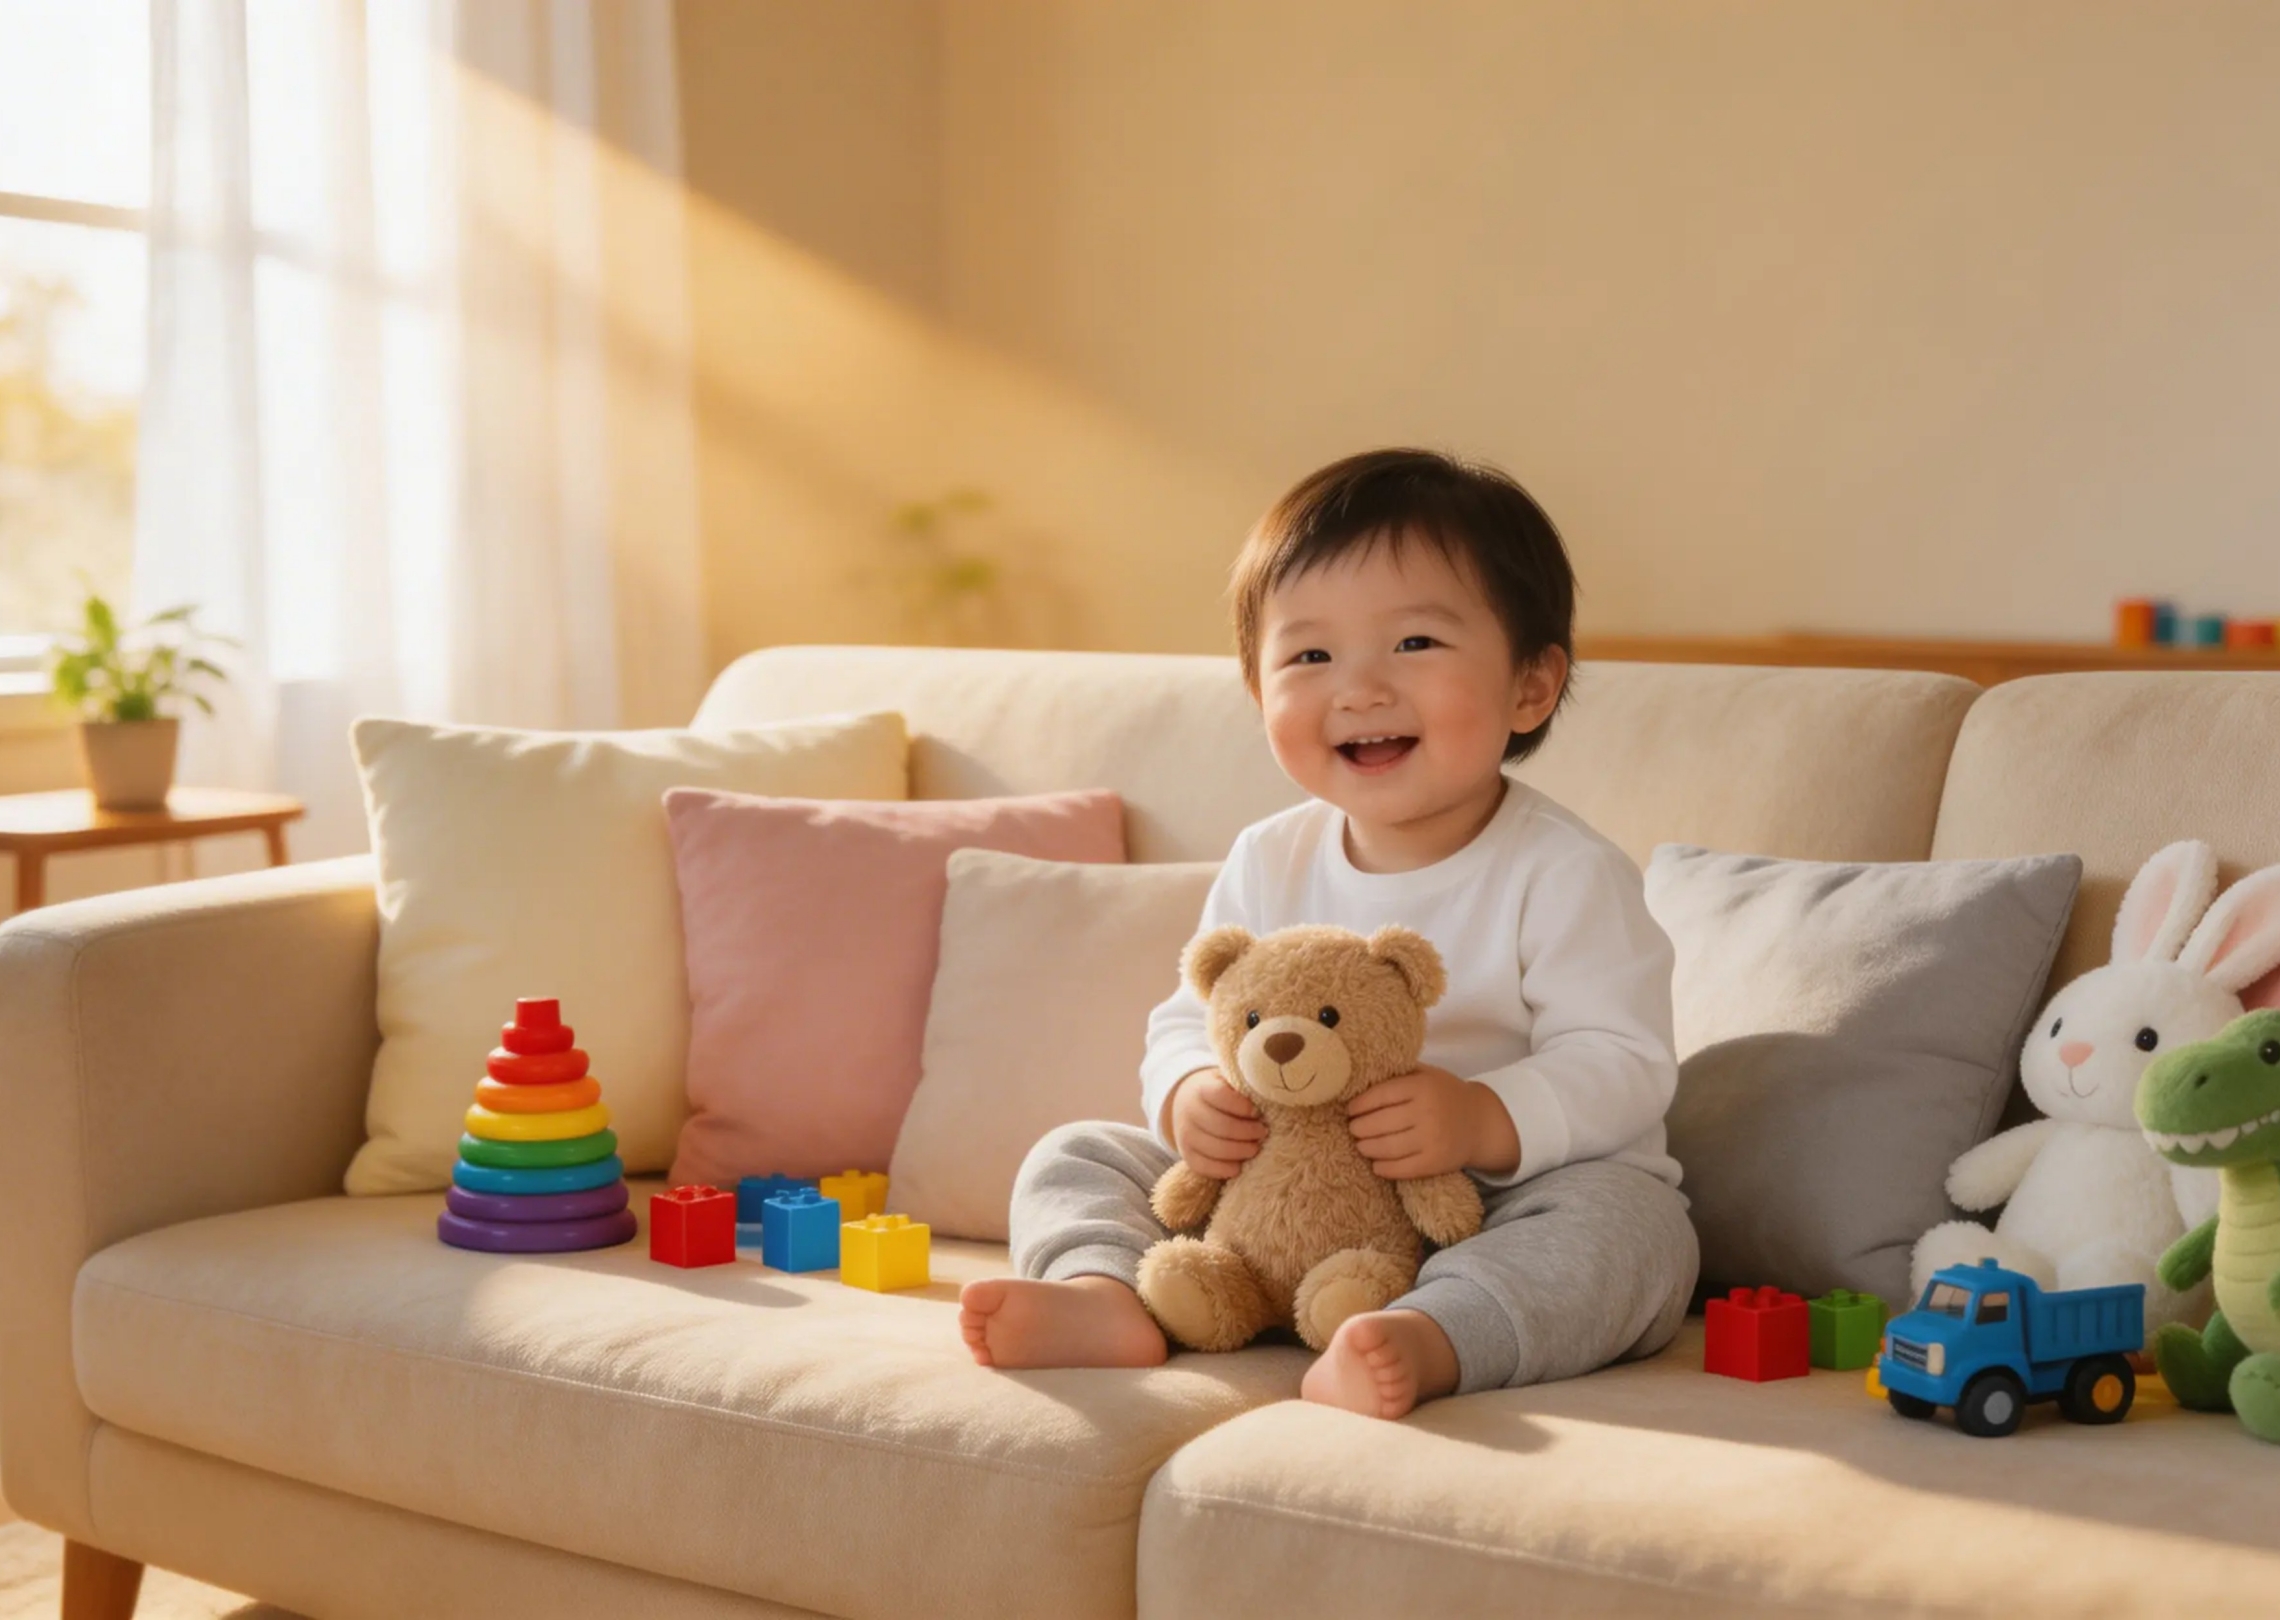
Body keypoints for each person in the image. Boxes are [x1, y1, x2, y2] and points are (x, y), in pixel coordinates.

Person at [957, 447, 1698, 1418]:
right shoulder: (1271, 857)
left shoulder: (1564, 871)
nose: (1358, 688)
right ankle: (1109, 1296)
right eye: (1310, 655)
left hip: (1493, 1208)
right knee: (1078, 1151)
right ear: (1260, 691)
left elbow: (1625, 1058)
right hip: (1283, 1199)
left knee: (1639, 1229)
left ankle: (1431, 1335)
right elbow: (1193, 1015)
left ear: (1530, 685)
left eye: (1415, 644)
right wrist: (1190, 1094)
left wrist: (1484, 1116)